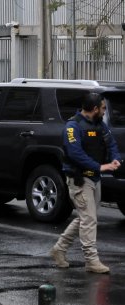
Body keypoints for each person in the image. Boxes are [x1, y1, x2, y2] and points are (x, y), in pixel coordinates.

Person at [50, 93, 122, 274]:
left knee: (86, 218)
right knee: (89, 219)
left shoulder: (99, 125)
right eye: (103, 108)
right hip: (80, 180)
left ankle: (59, 249)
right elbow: (75, 154)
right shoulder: (72, 127)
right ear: (95, 109)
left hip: (94, 178)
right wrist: (100, 166)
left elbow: (111, 143)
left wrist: (115, 160)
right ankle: (91, 260)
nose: (105, 111)